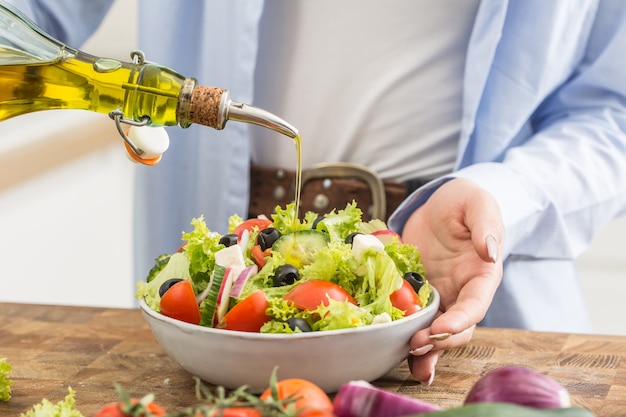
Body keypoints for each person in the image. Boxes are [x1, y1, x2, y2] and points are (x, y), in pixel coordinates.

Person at [8, 0, 626, 385]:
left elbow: (612, 112)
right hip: (219, 311)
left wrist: (504, 193)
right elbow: (33, 18)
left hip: (462, 284)